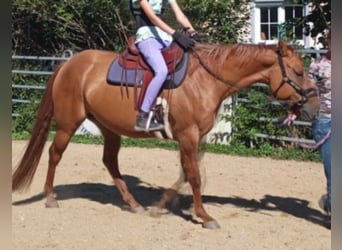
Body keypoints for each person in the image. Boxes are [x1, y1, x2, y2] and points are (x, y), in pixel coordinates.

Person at [130, 0, 200, 132]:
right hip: (147, 37)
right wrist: (176, 34)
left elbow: (180, 15)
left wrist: (193, 32)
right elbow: (152, 17)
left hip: (165, 38)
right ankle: (143, 116)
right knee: (161, 71)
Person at [308, 29, 331, 218]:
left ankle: (330, 203)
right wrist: (293, 111)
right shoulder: (317, 65)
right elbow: (307, 92)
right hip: (325, 121)